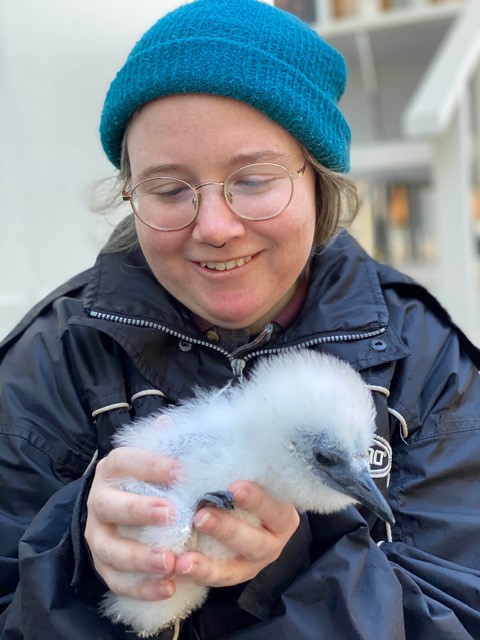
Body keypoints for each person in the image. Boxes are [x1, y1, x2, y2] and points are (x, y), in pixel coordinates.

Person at [1, 0, 480, 638]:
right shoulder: (49, 364)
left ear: (320, 182)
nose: (216, 228)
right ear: (131, 195)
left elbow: (461, 615)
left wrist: (296, 562)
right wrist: (80, 559)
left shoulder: (424, 363)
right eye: (170, 189)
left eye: (253, 179)